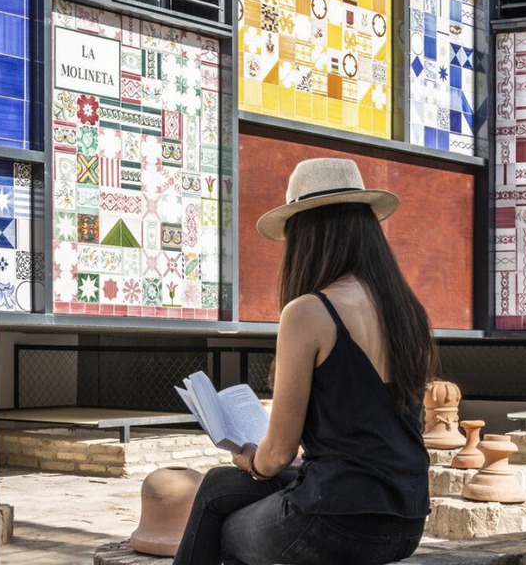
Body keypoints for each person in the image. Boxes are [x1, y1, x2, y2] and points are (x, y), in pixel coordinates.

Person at [173, 157, 436, 565]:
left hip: (335, 522)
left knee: (220, 521)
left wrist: (250, 460)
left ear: (308, 236)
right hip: (407, 521)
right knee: (218, 485)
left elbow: (277, 453)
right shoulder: (408, 312)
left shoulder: (308, 312)